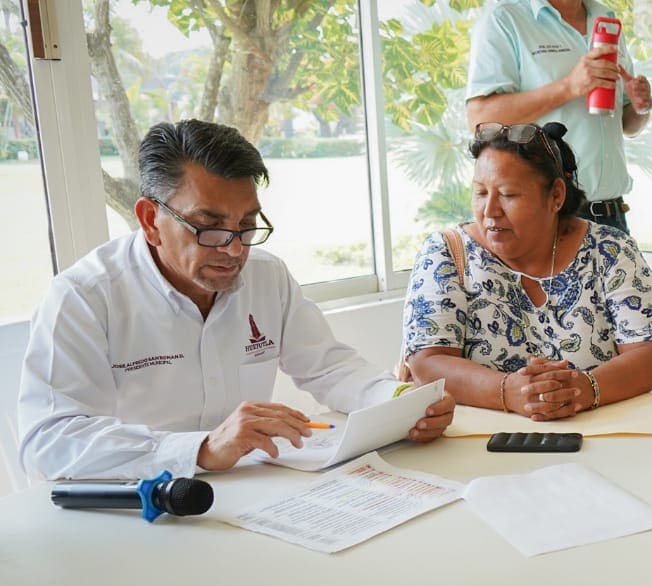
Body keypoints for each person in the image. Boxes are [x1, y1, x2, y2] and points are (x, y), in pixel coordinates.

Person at [17, 120, 455, 480]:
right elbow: (48, 442)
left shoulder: (266, 276)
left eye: (246, 225)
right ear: (150, 220)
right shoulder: (85, 297)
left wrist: (401, 399)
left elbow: (328, 367)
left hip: (246, 488)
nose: (233, 250)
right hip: (135, 503)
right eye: (209, 227)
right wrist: (202, 448)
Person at [402, 121, 652, 421]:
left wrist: (584, 388)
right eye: (480, 193)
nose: (489, 211)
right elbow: (427, 362)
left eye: (508, 195)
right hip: (478, 439)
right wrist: (508, 391)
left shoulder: (610, 250)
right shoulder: (446, 252)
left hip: (600, 433)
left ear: (556, 196)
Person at [466, 0, 652, 234]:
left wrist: (640, 107)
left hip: (612, 215)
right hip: (547, 216)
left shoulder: (605, 17)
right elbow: (480, 118)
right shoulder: (505, 17)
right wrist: (569, 87)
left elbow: (628, 126)